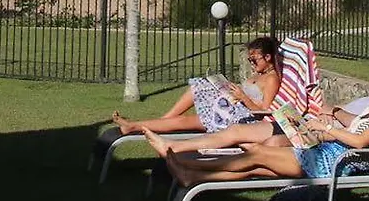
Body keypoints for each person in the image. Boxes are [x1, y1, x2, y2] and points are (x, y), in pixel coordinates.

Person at [142, 68, 369, 186]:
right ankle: (192, 178)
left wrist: (326, 129)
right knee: (254, 168)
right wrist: (333, 114)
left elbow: (360, 143)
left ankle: (181, 160)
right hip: (328, 153)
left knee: (256, 154)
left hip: (331, 162)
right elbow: (355, 126)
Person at [111, 36, 281, 136]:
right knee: (200, 85)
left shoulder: (271, 79)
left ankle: (135, 126)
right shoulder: (259, 74)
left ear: (267, 57)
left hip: (238, 117)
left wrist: (243, 96)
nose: (251, 63)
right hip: (230, 106)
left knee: (183, 121)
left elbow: (264, 110)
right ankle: (160, 121)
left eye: (254, 60)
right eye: (250, 60)